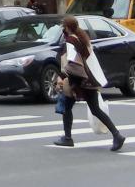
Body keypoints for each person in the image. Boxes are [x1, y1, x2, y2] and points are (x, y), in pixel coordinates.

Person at [53, 15, 125, 151]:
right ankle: (117, 135)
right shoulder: (82, 38)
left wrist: (67, 80)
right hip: (89, 79)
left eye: (63, 26)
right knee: (92, 109)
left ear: (66, 27)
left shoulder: (70, 41)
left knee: (69, 108)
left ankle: (68, 138)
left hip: (79, 80)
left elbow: (71, 63)